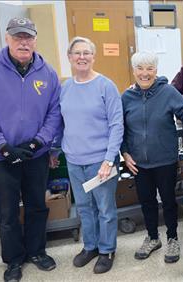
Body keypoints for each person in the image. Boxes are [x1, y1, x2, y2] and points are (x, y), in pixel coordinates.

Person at [0, 17, 61, 282]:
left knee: (36, 206)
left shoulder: (48, 73)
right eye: (18, 37)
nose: (24, 42)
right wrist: (2, 146)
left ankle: (37, 251)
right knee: (7, 212)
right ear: (8, 39)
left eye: (28, 37)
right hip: (0, 157)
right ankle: (13, 260)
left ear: (35, 40)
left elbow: (54, 113)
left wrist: (38, 142)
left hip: (36, 154)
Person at [51, 37, 123, 274]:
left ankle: (106, 250)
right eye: (77, 53)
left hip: (100, 161)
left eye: (86, 53)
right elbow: (60, 123)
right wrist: (54, 149)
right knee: (84, 208)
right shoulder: (65, 88)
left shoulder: (106, 86)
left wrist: (109, 159)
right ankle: (90, 246)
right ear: (69, 57)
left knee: (105, 208)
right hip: (74, 161)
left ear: (93, 57)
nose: (82, 57)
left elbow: (116, 125)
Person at [121, 51, 183, 264]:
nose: (145, 73)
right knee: (147, 202)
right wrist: (124, 152)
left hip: (165, 160)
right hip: (138, 162)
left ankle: (172, 238)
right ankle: (152, 237)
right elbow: (118, 128)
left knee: (168, 201)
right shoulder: (127, 97)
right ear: (134, 71)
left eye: (149, 68)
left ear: (156, 71)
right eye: (140, 68)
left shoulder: (167, 92)